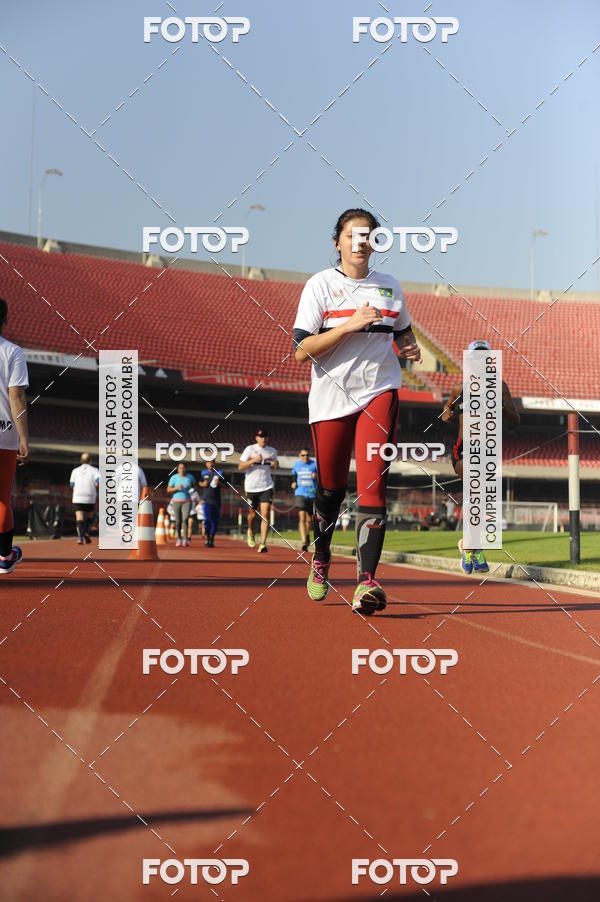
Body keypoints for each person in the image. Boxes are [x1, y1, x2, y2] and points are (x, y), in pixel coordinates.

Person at [293, 208, 421, 615]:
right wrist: (349, 326)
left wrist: (410, 349)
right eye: (352, 235)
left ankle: (366, 581)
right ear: (338, 242)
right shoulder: (320, 285)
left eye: (368, 235)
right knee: (330, 491)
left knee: (373, 485)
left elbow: (403, 334)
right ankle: (323, 555)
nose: (360, 242)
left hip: (379, 392)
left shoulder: (390, 287)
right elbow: (301, 351)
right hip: (331, 399)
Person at [441, 339, 520, 574]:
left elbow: (516, 421)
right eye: (476, 356)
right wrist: (447, 414)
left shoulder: (500, 386)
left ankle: (472, 546)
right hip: (463, 449)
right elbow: (448, 410)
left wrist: (503, 406)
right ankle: (471, 549)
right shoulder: (460, 388)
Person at [0, 299, 28, 573]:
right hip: (4, 433)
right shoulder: (12, 352)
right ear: (5, 320)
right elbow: (16, 396)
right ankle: (4, 556)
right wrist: (24, 438)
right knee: (1, 498)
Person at [239, 428, 278, 553]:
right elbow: (240, 467)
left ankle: (263, 543)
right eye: (260, 436)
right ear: (256, 438)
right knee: (252, 514)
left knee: (265, 513)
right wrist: (252, 460)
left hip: (266, 486)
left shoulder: (272, 451)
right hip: (251, 487)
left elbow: (276, 465)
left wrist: (274, 464)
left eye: (265, 436)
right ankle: (251, 532)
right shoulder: (250, 449)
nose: (263, 439)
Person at [69, 452, 100, 545]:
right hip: (90, 496)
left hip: (78, 497)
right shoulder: (95, 470)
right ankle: (86, 532)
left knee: (79, 518)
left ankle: (80, 536)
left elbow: (71, 485)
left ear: (81, 461)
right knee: (89, 517)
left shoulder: (75, 471)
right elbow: (98, 482)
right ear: (90, 461)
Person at [291, 447, 317, 551]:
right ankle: (303, 542)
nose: (305, 457)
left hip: (312, 494)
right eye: (303, 455)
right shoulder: (297, 465)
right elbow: (294, 475)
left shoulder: (314, 464)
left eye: (307, 455)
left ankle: (307, 536)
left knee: (309, 520)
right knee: (301, 517)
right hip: (300, 493)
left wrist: (316, 476)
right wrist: (293, 482)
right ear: (299, 456)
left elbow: (321, 476)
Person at [166, 462, 196, 547]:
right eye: (180, 468)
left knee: (185, 519)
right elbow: (168, 490)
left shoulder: (190, 477)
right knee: (178, 521)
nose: (182, 469)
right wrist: (176, 488)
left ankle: (185, 539)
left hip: (187, 501)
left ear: (186, 469)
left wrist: (192, 490)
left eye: (183, 468)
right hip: (176, 501)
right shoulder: (174, 477)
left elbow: (194, 487)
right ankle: (179, 538)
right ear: (177, 469)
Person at [200, 459, 225, 547]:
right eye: (208, 463)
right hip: (206, 500)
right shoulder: (203, 473)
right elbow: (199, 483)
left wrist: (219, 483)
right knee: (207, 520)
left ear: (214, 463)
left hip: (217, 501)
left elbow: (225, 485)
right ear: (206, 464)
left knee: (215, 521)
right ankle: (207, 538)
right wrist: (203, 484)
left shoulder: (220, 472)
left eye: (212, 462)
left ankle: (212, 538)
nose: (210, 464)